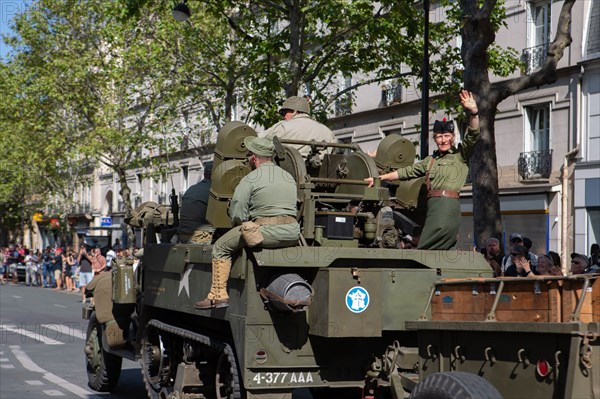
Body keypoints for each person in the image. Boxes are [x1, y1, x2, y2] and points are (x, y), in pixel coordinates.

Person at [194, 137, 300, 309]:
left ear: (254, 158)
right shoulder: (288, 176)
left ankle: (218, 296)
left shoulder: (251, 178)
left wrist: (239, 224)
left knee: (220, 247)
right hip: (292, 233)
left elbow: (237, 211)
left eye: (249, 155)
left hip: (265, 234)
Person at [365, 90, 480, 250]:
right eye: (439, 137)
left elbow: (473, 136)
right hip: (432, 206)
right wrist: (379, 178)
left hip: (448, 206)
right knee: (434, 246)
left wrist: (474, 113)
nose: (443, 140)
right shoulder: (430, 161)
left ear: (453, 137)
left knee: (430, 245)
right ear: (435, 139)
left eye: (447, 135)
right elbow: (406, 172)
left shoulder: (460, 155)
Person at [260, 96, 337, 157]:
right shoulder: (328, 132)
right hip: (322, 175)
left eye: (284, 112)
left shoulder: (283, 127)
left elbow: (257, 141)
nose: (283, 116)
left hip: (287, 174)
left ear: (295, 111)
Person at [178, 161, 213, 244]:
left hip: (183, 236)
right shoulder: (214, 192)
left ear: (204, 174)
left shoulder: (191, 188)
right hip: (200, 238)